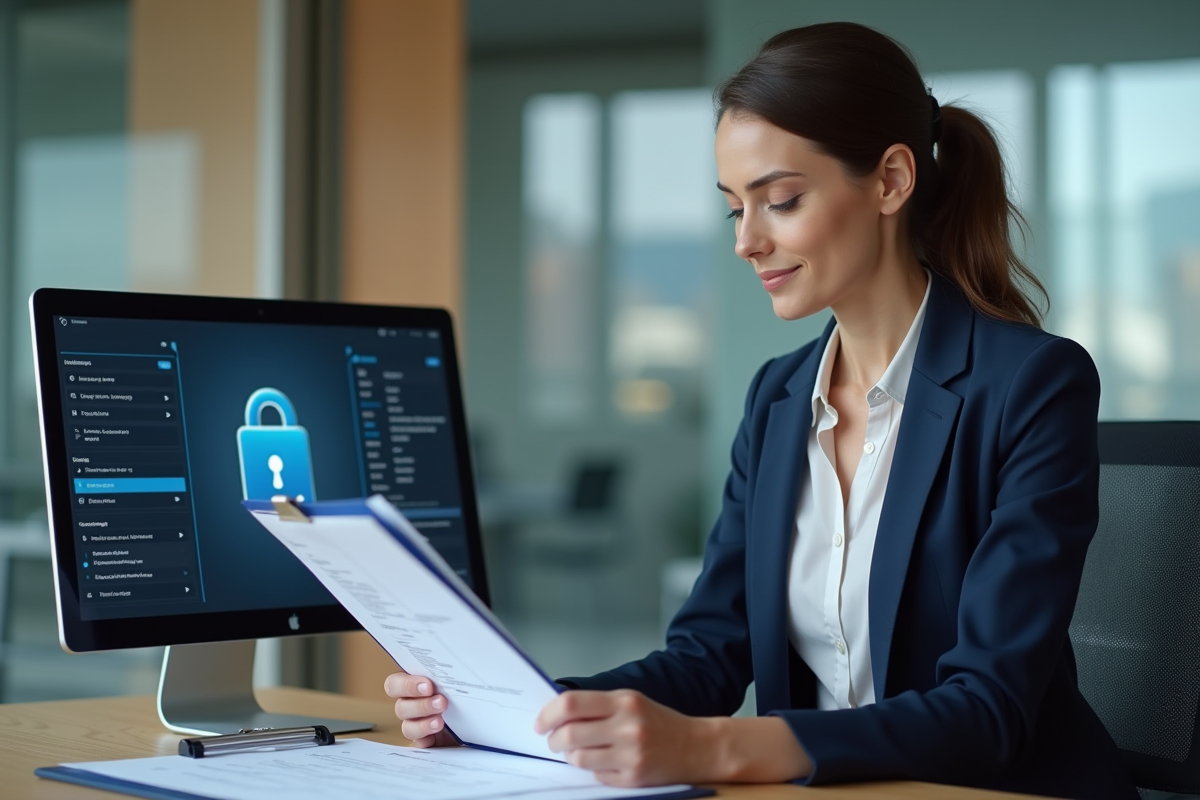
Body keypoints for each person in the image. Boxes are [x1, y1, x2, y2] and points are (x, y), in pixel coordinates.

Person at [385, 21, 1138, 800]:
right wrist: (520, 713)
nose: (747, 241)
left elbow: (988, 712)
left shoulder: (1033, 385)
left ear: (890, 181)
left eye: (780, 201)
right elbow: (708, 655)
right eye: (733, 209)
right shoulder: (778, 398)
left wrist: (716, 749)